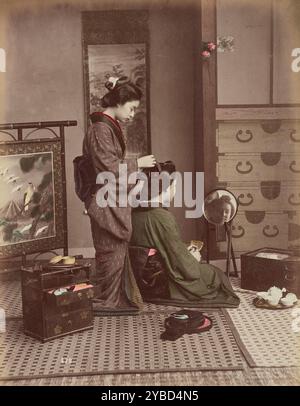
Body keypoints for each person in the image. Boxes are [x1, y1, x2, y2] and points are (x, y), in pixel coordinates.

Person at [83, 76, 156, 312]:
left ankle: (113, 297)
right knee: (109, 249)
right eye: (131, 108)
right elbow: (109, 169)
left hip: (110, 195)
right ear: (119, 101)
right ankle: (107, 300)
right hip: (104, 194)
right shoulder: (100, 129)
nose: (133, 114)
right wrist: (139, 163)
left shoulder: (107, 127)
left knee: (114, 248)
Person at [130, 163, 240, 308]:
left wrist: (184, 251)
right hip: (159, 281)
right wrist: (193, 258)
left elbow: (161, 247)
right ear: (164, 188)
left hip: (140, 278)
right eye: (174, 186)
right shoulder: (161, 217)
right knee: (215, 274)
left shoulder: (135, 212)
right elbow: (182, 264)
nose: (174, 190)